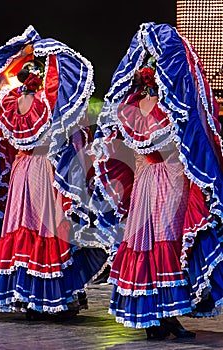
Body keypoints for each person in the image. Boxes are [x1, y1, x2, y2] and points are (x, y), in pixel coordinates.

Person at [90, 22, 223, 339]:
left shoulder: (129, 109)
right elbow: (191, 137)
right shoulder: (170, 110)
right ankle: (167, 317)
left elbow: (118, 144)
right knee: (167, 246)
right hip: (170, 181)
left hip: (145, 182)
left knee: (146, 245)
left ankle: (153, 320)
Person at [0, 25, 108, 319]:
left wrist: (19, 50)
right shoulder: (47, 102)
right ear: (39, 77)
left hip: (21, 171)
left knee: (23, 230)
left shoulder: (7, 103)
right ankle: (49, 298)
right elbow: (65, 88)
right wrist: (49, 51)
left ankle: (28, 298)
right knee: (48, 230)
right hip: (43, 170)